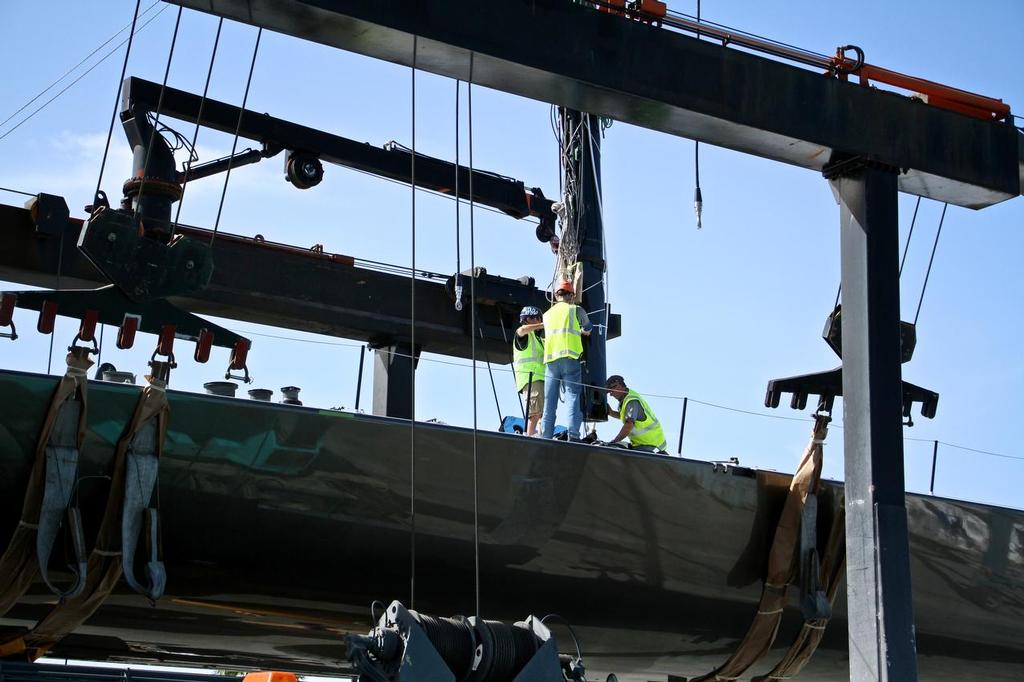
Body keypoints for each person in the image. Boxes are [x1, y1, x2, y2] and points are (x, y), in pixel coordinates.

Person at [541, 280, 592, 440]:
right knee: (572, 397)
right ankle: (574, 436)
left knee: (549, 402)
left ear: (556, 295)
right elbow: (588, 329)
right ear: (571, 295)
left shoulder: (547, 315)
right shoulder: (575, 309)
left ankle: (546, 436)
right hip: (570, 359)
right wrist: (582, 332)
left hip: (551, 361)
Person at [604, 374, 667, 452]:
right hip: (642, 443)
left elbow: (629, 424)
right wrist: (611, 413)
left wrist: (614, 441)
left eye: (611, 391)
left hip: (651, 445)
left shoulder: (631, 401)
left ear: (618, 386)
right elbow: (624, 416)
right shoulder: (625, 399)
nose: (611, 395)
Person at [513, 305, 545, 436]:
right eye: (538, 319)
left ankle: (537, 434)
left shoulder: (538, 339)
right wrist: (544, 324)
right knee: (534, 413)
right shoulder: (523, 333)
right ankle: (530, 435)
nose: (539, 322)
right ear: (530, 319)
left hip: (539, 378)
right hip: (530, 379)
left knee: (540, 412)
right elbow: (521, 330)